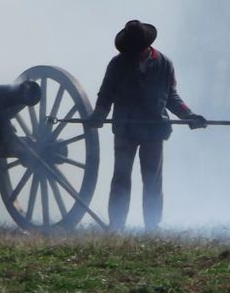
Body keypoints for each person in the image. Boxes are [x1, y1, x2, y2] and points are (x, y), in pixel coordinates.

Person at [86, 20, 206, 231]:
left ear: (146, 47)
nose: (132, 54)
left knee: (152, 180)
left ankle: (152, 225)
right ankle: (116, 226)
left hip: (154, 129)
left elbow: (171, 97)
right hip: (125, 129)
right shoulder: (117, 64)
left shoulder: (164, 64)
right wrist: (98, 116)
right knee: (121, 178)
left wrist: (189, 116)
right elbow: (106, 94)